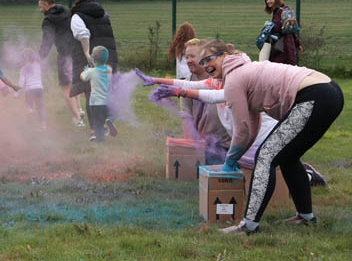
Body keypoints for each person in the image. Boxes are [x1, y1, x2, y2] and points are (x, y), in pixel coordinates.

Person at [198, 40, 343, 234]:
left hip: (314, 96)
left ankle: (248, 226)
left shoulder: (233, 78)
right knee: (288, 157)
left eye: (209, 59)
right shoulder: (243, 69)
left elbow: (241, 130)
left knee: (265, 157)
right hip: (329, 92)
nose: (205, 65)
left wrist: (230, 160)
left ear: (224, 55)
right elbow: (251, 126)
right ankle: (306, 217)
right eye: (202, 62)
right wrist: (237, 156)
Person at [141, 43, 329, 187]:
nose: (207, 66)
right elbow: (192, 85)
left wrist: (179, 93)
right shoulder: (219, 80)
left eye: (209, 61)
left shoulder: (237, 82)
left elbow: (215, 96)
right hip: (247, 138)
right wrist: (155, 80)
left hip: (260, 135)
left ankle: (307, 176)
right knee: (250, 171)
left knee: (266, 166)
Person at [140, 38, 231, 163]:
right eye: (186, 57)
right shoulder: (189, 81)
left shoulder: (218, 77)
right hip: (204, 145)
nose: (188, 61)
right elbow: (186, 116)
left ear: (204, 57)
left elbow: (211, 96)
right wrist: (191, 149)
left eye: (192, 56)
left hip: (226, 144)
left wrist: (177, 91)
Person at [69, 0, 118, 138]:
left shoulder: (77, 15)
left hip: (92, 60)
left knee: (90, 94)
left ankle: (95, 130)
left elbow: (83, 35)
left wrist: (87, 55)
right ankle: (107, 120)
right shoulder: (104, 14)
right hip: (108, 57)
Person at [37, 0, 83, 127]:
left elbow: (48, 39)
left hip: (64, 54)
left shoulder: (48, 20)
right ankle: (80, 109)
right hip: (77, 51)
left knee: (66, 87)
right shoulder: (66, 11)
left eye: (40, 6)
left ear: (46, 5)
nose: (40, 10)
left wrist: (40, 56)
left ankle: (78, 120)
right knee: (75, 81)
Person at [79, 46, 117, 142]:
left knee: (97, 123)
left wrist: (86, 70)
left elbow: (82, 77)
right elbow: (106, 68)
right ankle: (109, 120)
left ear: (94, 59)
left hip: (95, 103)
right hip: (108, 102)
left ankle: (100, 141)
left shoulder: (91, 71)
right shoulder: (108, 70)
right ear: (106, 59)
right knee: (113, 113)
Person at [263, 0, 302, 65]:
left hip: (281, 46)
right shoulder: (285, 10)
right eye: (266, 0)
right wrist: (297, 44)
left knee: (278, 68)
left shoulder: (279, 12)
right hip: (290, 45)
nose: (268, 1)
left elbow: (277, 28)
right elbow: (292, 30)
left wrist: (268, 28)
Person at [19, 48, 46, 128]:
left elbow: (21, 82)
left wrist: (17, 93)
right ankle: (43, 124)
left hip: (29, 90)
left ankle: (30, 111)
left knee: (29, 105)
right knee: (40, 107)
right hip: (39, 88)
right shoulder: (38, 66)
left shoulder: (23, 69)